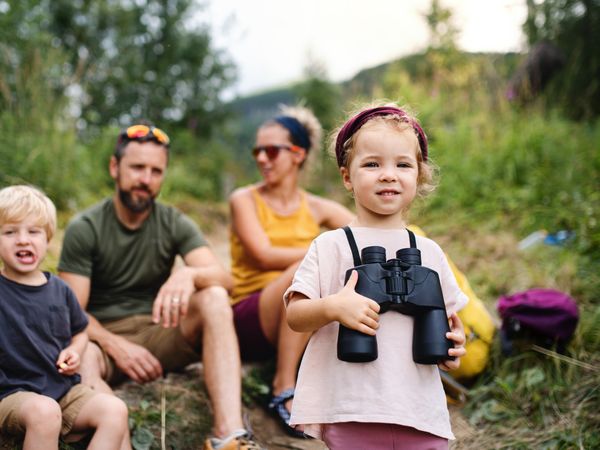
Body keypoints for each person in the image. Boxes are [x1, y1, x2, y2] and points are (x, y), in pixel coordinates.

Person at [58, 124, 262, 450]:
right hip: (103, 338)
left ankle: (229, 437)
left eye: (156, 171)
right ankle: (115, 434)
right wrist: (117, 346)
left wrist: (190, 275)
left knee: (212, 295)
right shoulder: (86, 227)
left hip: (159, 332)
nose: (146, 179)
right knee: (83, 359)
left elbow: (227, 280)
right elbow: (72, 313)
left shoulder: (172, 221)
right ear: (115, 167)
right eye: (137, 168)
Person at [284, 104, 468, 449]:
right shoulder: (330, 246)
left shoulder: (429, 252)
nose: (388, 174)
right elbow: (295, 315)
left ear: (420, 175)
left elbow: (452, 322)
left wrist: (453, 345)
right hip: (354, 411)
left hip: (420, 412)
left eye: (403, 164)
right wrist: (334, 307)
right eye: (372, 164)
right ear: (347, 177)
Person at [228, 105, 353, 436]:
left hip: (300, 314)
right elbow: (263, 254)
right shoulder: (244, 199)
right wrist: (322, 252)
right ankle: (283, 383)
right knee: (309, 268)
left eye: (271, 151)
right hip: (251, 315)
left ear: (297, 154)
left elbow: (364, 231)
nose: (262, 159)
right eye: (258, 151)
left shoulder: (316, 206)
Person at [0, 185, 130, 450]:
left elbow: (80, 330)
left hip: (61, 389)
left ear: (48, 240)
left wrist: (74, 350)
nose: (23, 240)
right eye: (10, 232)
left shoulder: (60, 290)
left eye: (33, 232)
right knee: (45, 413)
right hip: (10, 393)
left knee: (115, 410)